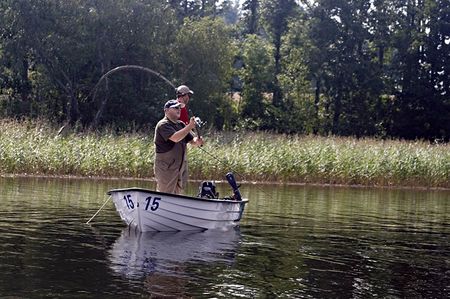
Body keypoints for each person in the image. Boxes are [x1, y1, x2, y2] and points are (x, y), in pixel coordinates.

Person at [154, 99, 203, 195]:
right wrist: (189, 126)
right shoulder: (163, 125)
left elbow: (192, 141)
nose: (179, 109)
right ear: (166, 110)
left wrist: (198, 141)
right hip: (166, 168)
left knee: (177, 195)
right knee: (165, 194)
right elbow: (175, 138)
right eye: (175, 107)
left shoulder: (181, 124)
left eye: (179, 107)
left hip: (180, 168)